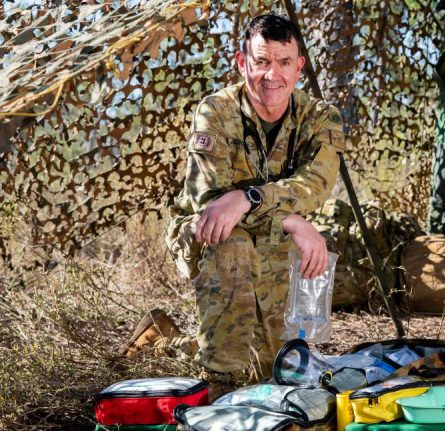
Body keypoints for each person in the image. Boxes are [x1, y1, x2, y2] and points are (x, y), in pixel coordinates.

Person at [120, 14, 343, 397]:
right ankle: (218, 392)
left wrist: (252, 198)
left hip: (272, 236)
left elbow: (316, 185)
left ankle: (161, 342)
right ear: (242, 63)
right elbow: (214, 209)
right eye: (261, 61)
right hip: (204, 234)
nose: (272, 75)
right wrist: (290, 218)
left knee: (268, 365)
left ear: (299, 66)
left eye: (284, 62)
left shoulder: (319, 118)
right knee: (232, 243)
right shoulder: (216, 113)